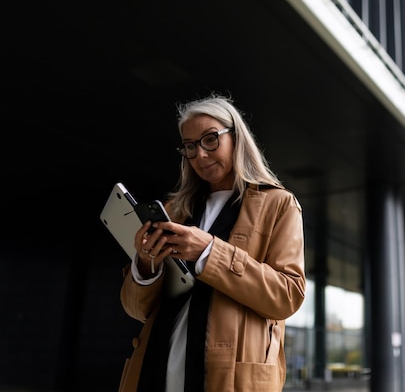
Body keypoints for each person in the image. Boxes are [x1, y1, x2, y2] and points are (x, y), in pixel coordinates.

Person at [118, 93, 306, 392]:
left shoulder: (278, 204)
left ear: (237, 137)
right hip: (155, 369)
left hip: (228, 379)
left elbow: (288, 295)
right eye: (190, 147)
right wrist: (145, 264)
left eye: (210, 139)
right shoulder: (174, 210)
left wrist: (209, 251)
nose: (200, 155)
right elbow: (136, 310)